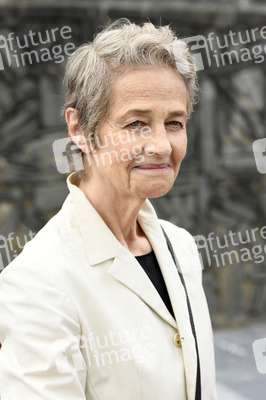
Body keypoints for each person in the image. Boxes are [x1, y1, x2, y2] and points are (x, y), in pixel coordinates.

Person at [0, 19, 217, 400]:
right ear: (79, 128)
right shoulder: (37, 285)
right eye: (136, 123)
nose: (162, 146)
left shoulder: (180, 246)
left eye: (174, 122)